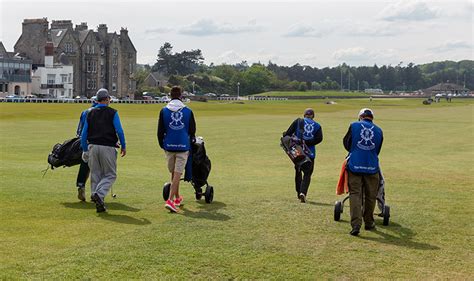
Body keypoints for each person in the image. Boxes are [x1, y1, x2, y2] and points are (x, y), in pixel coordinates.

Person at [81, 88, 126, 213]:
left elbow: (84, 134)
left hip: (93, 147)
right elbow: (120, 131)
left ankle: (97, 200)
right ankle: (99, 194)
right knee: (110, 174)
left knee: (95, 173)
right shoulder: (113, 112)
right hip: (108, 146)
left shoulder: (89, 112)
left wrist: (85, 149)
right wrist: (124, 145)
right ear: (106, 99)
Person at [343, 108, 383, 236]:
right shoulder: (379, 130)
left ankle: (356, 225)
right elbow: (377, 150)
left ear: (360, 116)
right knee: (370, 196)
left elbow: (346, 143)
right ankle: (369, 222)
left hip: (355, 164)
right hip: (372, 166)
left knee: (355, 194)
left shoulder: (354, 125)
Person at [157, 86, 196, 213]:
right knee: (177, 173)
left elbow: (160, 131)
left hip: (169, 145)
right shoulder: (188, 111)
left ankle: (177, 198)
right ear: (181, 96)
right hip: (183, 145)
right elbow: (192, 130)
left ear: (170, 95)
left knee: (174, 173)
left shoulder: (163, 111)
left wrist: (162, 144)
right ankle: (170, 200)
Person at [283, 108, 323, 203]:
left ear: (304, 115)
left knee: (298, 171)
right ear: (313, 116)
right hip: (310, 153)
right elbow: (319, 139)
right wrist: (307, 142)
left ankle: (298, 193)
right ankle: (303, 192)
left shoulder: (298, 121)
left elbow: (288, 133)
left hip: (298, 152)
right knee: (307, 174)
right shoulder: (317, 126)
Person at [75, 97, 97, 202]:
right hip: (97, 143)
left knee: (84, 166)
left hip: (84, 143)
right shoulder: (102, 112)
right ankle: (95, 193)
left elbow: (79, 130)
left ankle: (81, 185)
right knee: (97, 169)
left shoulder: (84, 112)